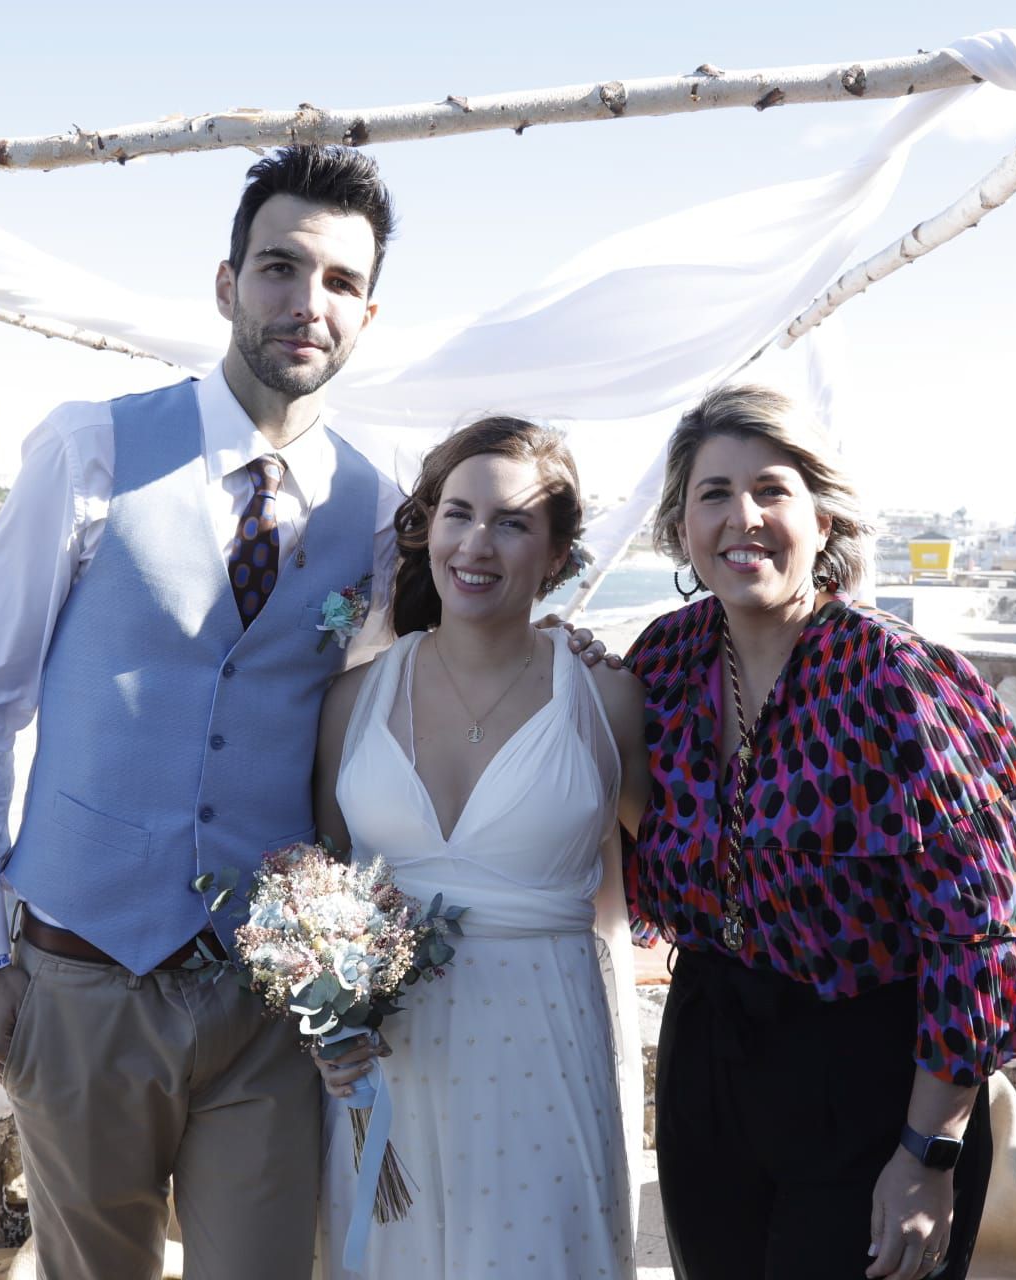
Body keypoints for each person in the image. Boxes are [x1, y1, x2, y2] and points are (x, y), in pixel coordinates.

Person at [0, 144, 404, 1278]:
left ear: (367, 314)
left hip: (267, 1000)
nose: (307, 302)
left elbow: (382, 710)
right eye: (281, 268)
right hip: (82, 975)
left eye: (339, 282)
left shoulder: (378, 503)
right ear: (228, 284)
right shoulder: (93, 447)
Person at [623, 385, 1016, 1280]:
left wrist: (928, 1153)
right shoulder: (661, 663)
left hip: (868, 1074)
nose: (742, 517)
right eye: (713, 493)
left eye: (772, 490)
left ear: (824, 520)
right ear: (681, 528)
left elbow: (979, 935)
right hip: (710, 1051)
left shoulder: (893, 677)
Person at [310, 416, 650, 1279]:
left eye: (513, 522)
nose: (478, 544)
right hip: (389, 1064)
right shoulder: (352, 700)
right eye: (458, 513)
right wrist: (320, 1013)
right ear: (426, 528)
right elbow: (318, 888)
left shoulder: (606, 697)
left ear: (558, 553)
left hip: (545, 1050)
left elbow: (682, 868)